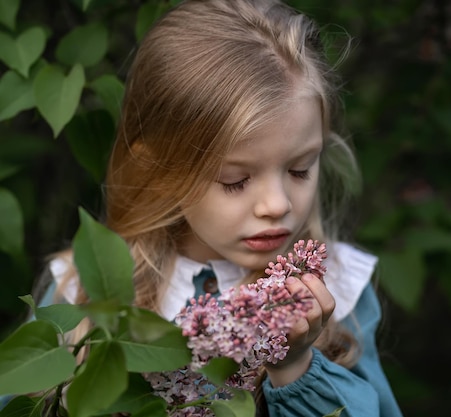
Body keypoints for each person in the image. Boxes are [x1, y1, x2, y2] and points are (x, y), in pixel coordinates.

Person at [42, 0, 404, 415]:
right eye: (235, 179)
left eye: (300, 169)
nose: (277, 205)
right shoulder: (83, 290)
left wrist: (295, 365)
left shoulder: (337, 291)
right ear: (159, 169)